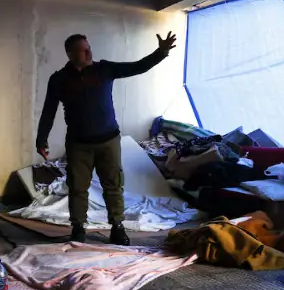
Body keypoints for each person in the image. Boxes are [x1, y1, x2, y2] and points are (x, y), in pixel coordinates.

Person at [36, 31, 178, 245]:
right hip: (78, 144)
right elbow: (48, 111)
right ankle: (78, 229)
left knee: (113, 185)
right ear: (70, 54)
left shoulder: (104, 69)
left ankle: (117, 227)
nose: (89, 51)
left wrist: (162, 51)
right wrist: (42, 140)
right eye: (83, 49)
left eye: (89, 46)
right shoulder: (59, 79)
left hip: (108, 141)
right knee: (77, 187)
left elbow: (137, 66)